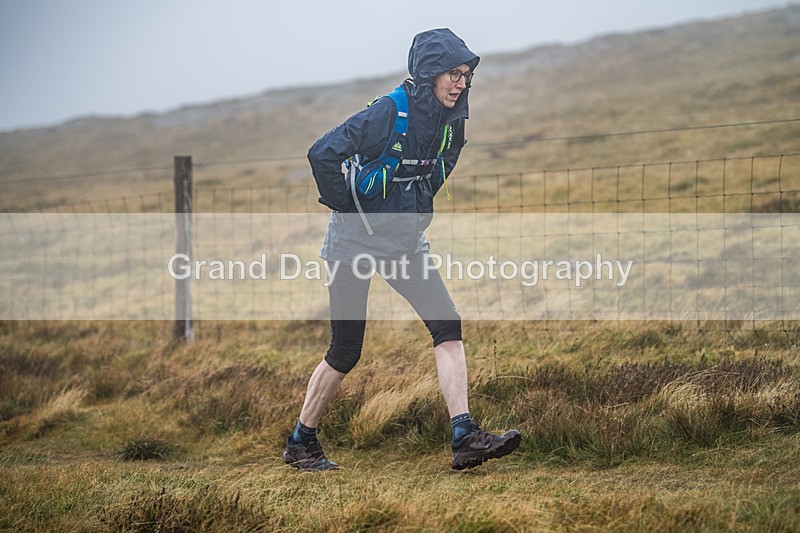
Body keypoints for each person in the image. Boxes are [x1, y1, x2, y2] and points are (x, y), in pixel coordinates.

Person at [283, 28, 520, 471]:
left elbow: (447, 159)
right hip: (352, 245)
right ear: (429, 72)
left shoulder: (452, 118)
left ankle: (464, 435)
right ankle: (301, 442)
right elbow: (322, 153)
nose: (461, 82)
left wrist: (419, 198)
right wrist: (346, 207)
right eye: (453, 73)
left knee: (447, 324)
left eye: (466, 74)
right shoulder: (389, 111)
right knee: (346, 350)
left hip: (405, 245)